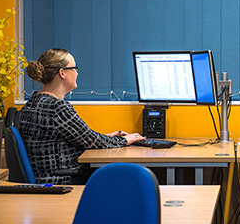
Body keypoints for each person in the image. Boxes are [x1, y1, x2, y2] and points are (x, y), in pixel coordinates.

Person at [19, 48, 145, 184]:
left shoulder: (32, 102)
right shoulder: (57, 107)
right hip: (61, 180)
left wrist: (106, 138)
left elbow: (82, 138)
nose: (77, 73)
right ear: (62, 73)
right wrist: (126, 140)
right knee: (126, 177)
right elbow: (92, 141)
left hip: (44, 176)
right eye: (74, 68)